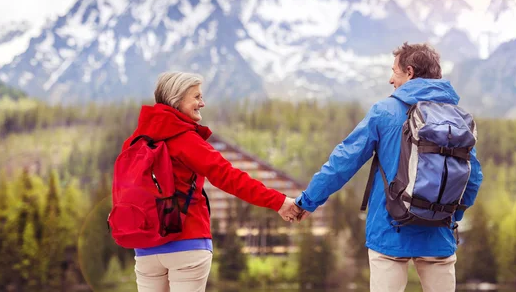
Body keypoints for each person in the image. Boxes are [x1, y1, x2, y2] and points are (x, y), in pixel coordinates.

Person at [295, 42, 483, 292]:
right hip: (439, 236)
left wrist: (306, 202)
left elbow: (343, 162)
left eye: (393, 71)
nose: (390, 79)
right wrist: (447, 215)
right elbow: (473, 178)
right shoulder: (457, 118)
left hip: (390, 231)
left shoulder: (384, 112)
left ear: (409, 71)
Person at [123, 71, 301, 292]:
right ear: (176, 100)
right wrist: (280, 202)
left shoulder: (136, 141)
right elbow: (230, 178)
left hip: (146, 248)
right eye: (196, 97)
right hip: (187, 244)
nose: (202, 103)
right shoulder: (186, 140)